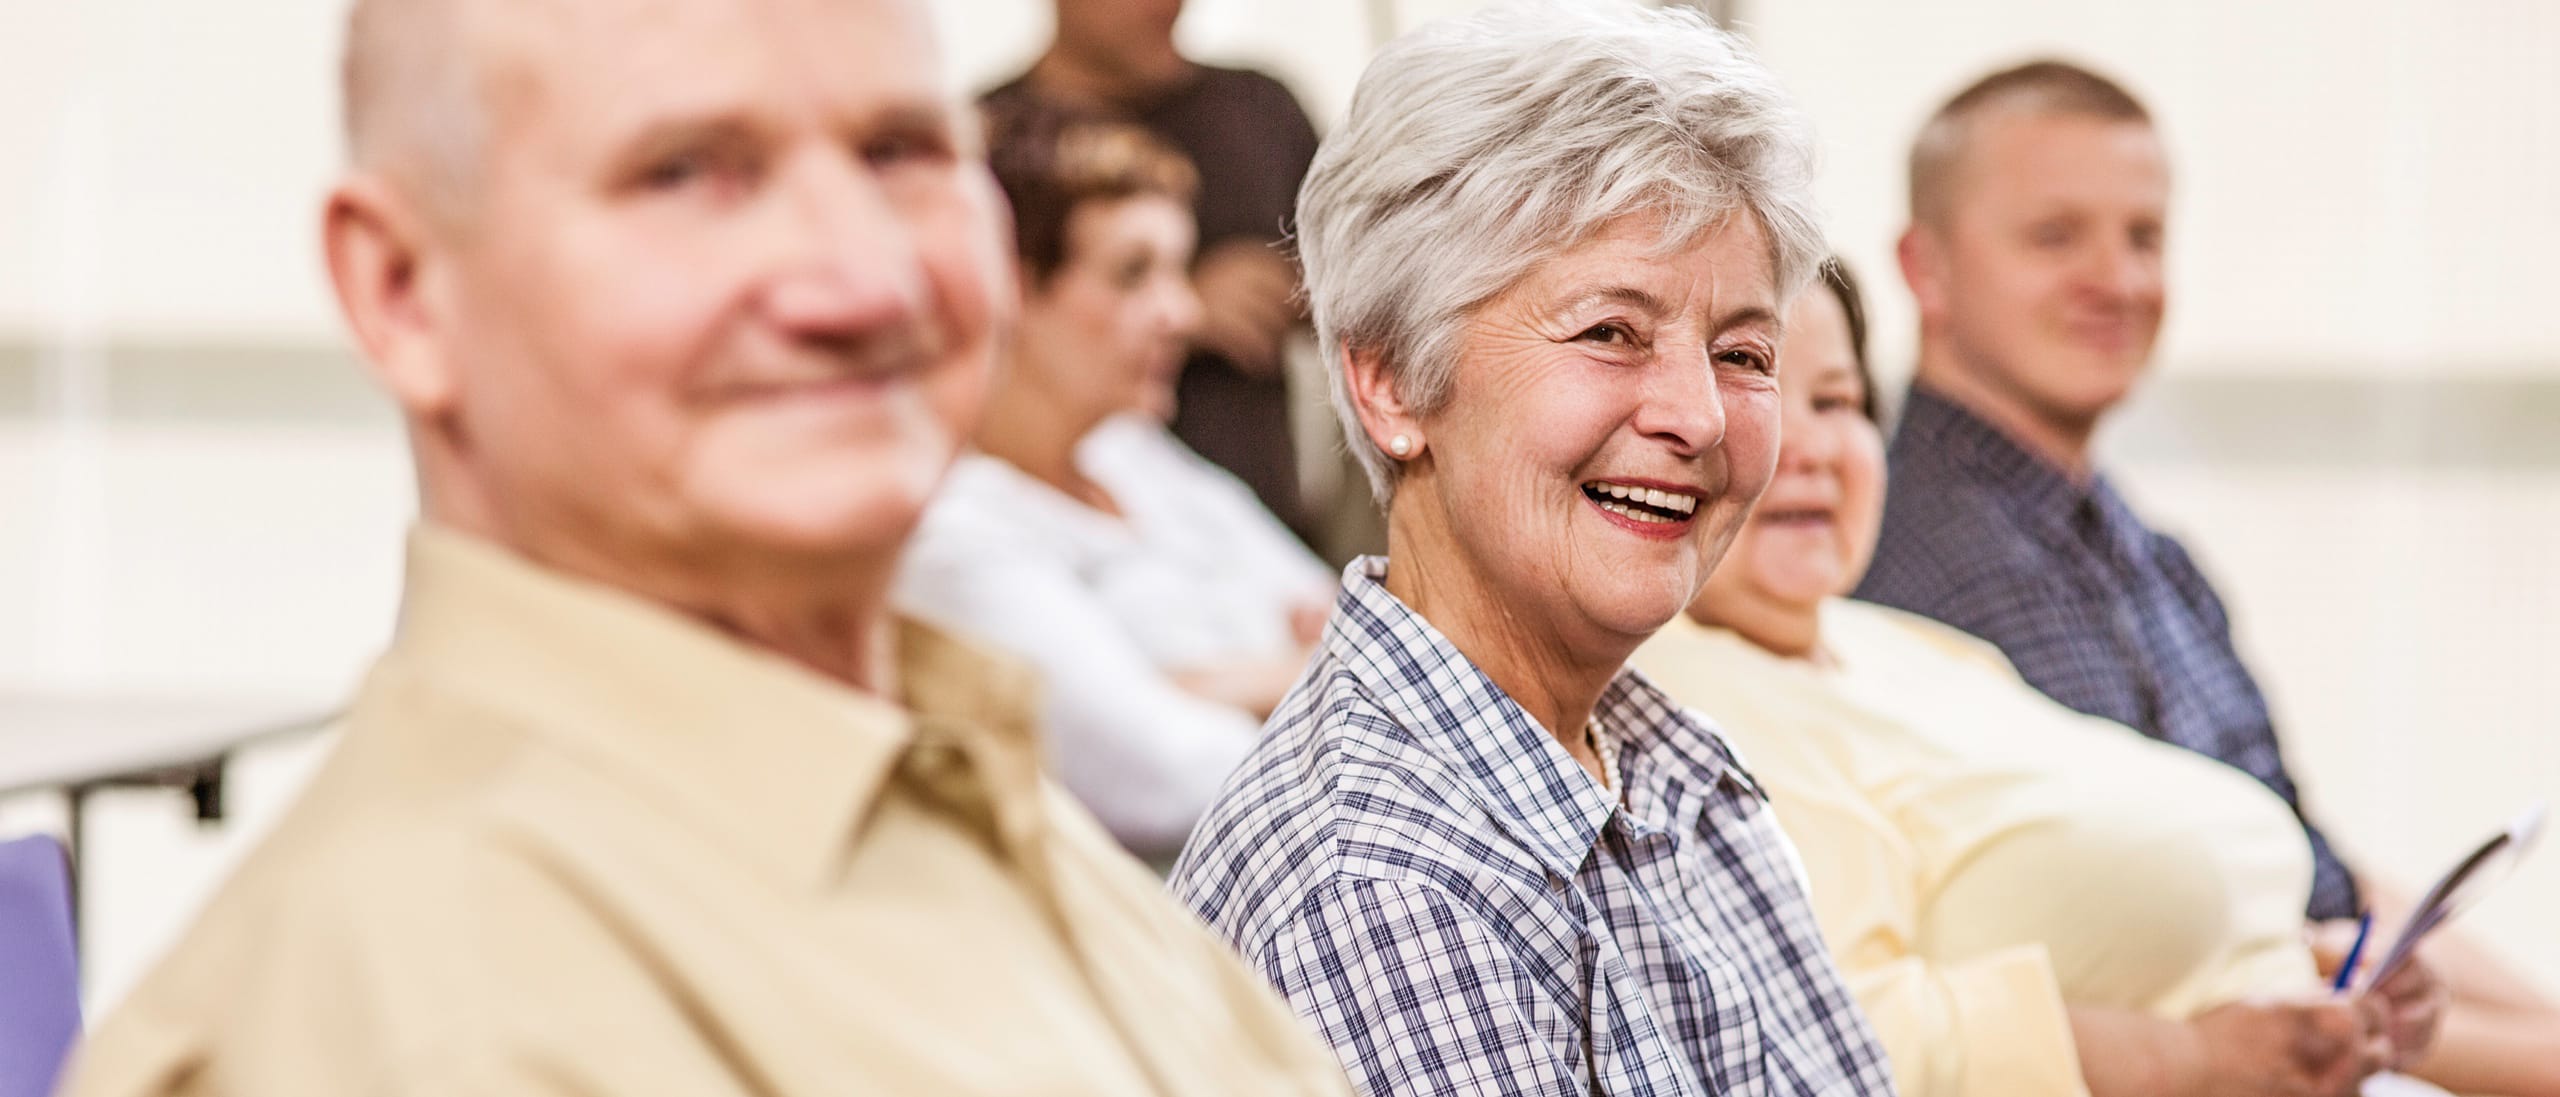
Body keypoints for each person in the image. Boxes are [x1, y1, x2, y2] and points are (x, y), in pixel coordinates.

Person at [55, 2, 1360, 1094]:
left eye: (902, 151)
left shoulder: (954, 789)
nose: (863, 281)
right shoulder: (410, 1011)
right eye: (686, 174)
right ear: (402, 290)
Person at [1169, 6, 1895, 1094]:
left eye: (1742, 350)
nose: (1698, 416)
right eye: (1610, 331)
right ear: (1391, 384)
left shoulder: (1671, 772)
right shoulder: (1374, 885)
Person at [1852, 59, 2560, 1095]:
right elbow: (2186, 963)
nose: (2120, 278)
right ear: (1926, 268)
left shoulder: (2148, 553)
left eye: (2143, 236)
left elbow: (2320, 873)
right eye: (2056, 236)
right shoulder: (1911, 561)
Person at [1634, 259, 2469, 1097]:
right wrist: (2194, 1060)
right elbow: (1843, 1030)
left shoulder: (1906, 648)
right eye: (1760, 391)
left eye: (1839, 401)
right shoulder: (1682, 701)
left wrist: (2311, 974)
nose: (1813, 445)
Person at [895, 107, 1332, 861]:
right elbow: (1167, 777)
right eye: (1134, 273)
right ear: (1011, 290)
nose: (1182, 312)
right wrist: (1307, 670)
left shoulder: (1132, 456)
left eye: (1179, 270)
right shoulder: (950, 534)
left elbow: (1359, 617)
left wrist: (1202, 683)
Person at [986, 0, 1323, 539]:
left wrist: (1302, 290)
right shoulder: (990, 140)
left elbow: (1370, 291)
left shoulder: (1256, 109)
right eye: (1132, 271)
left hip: (1260, 514)